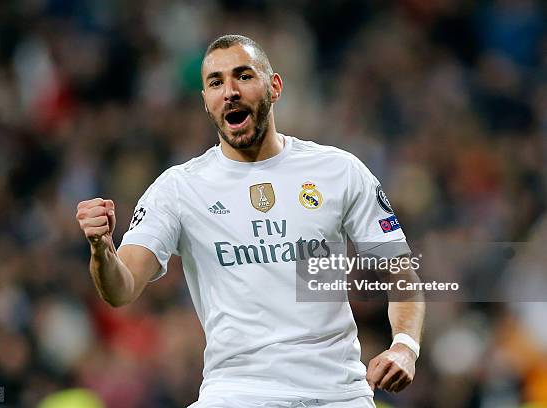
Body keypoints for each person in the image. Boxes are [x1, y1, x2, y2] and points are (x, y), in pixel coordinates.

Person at [76, 34, 425, 408]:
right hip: (237, 392)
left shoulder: (338, 170)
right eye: (215, 82)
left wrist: (405, 346)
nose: (229, 91)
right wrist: (102, 248)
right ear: (206, 102)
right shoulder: (178, 188)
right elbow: (121, 289)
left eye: (243, 76)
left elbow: (401, 275)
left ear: (274, 86)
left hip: (338, 393)